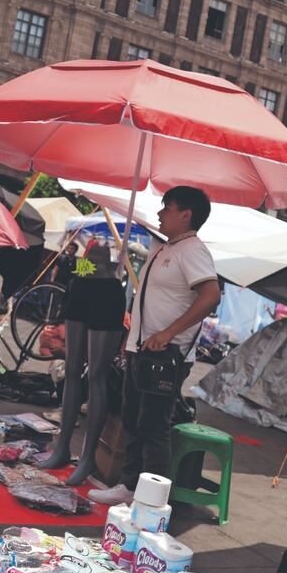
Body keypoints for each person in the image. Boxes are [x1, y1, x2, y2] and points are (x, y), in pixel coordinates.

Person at [88, 186, 221, 506]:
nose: (160, 214)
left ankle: (150, 500)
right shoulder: (167, 248)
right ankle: (129, 485)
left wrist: (169, 333)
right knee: (133, 419)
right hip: (143, 350)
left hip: (166, 355)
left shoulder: (193, 251)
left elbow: (211, 296)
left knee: (153, 427)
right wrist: (132, 340)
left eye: (167, 208)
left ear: (185, 215)